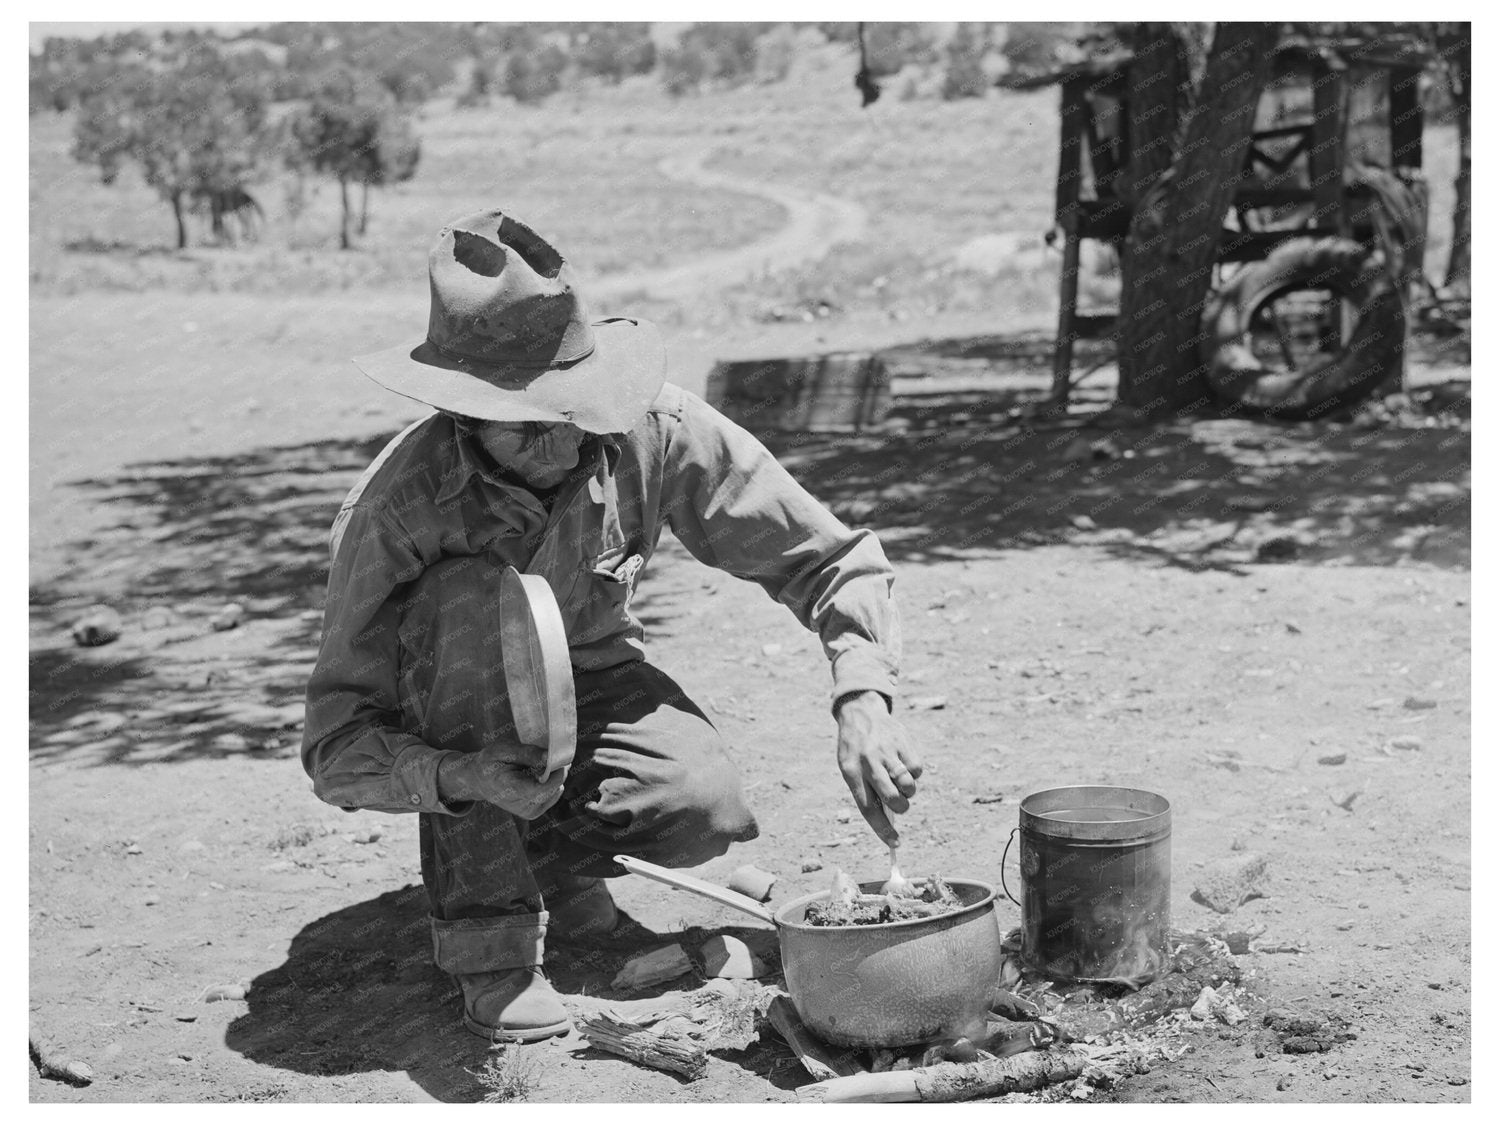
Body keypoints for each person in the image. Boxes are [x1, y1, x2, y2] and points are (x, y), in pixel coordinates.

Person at [301, 209, 919, 1042]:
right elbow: (337, 747)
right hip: (456, 722)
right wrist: (460, 778)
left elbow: (830, 558)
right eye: (528, 426)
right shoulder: (396, 509)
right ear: (462, 413)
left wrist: (863, 695)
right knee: (468, 605)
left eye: (574, 413)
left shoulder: (650, 427)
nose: (562, 446)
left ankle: (561, 877)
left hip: (585, 687)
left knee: (700, 802)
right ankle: (489, 946)